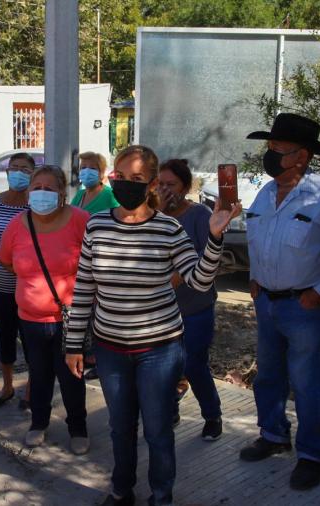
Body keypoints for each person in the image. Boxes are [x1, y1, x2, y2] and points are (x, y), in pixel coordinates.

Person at [65, 145, 240, 506]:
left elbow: (199, 280)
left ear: (151, 185)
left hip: (158, 350)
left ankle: (161, 495)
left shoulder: (168, 228)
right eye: (121, 177)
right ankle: (121, 489)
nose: (127, 184)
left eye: (137, 179)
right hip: (110, 348)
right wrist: (73, 344)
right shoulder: (97, 225)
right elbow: (84, 286)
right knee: (120, 427)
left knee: (158, 429)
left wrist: (215, 237)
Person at [238, 113, 320, 491]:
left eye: (278, 149)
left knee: (308, 383)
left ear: (301, 156)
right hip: (266, 302)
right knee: (267, 376)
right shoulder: (266, 191)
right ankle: (273, 434)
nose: (269, 155)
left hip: (305, 306)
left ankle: (312, 455)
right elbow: (260, 238)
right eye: (269, 148)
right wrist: (254, 276)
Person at [0, 165, 90, 454]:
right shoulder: (16, 225)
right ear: (28, 191)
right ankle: (39, 423)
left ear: (63, 193)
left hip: (69, 320)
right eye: (37, 187)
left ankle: (78, 429)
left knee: (71, 377)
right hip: (30, 320)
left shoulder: (80, 221)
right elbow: (6, 260)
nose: (42, 193)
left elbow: (95, 261)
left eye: (49, 188)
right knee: (38, 375)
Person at [158, 159, 223, 441]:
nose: (164, 190)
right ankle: (169, 408)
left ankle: (212, 416)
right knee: (162, 367)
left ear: (185, 187)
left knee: (194, 365)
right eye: (159, 184)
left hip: (195, 307)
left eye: (170, 185)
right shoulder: (150, 215)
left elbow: (208, 255)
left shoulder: (198, 215)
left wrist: (178, 275)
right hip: (160, 311)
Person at [0, 152, 33, 408]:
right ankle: (8, 385)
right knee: (5, 336)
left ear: (32, 174)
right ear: (6, 172)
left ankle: (30, 391)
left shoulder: (36, 206)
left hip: (31, 288)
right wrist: (2, 258)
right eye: (14, 168)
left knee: (31, 339)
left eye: (24, 169)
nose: (18, 172)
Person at [69, 151, 119, 380]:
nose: (86, 171)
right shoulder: (79, 195)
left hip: (101, 262)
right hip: (79, 262)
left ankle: (101, 360)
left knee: (100, 312)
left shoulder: (109, 196)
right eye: (83, 167)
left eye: (92, 167)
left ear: (101, 173)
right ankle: (90, 355)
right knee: (85, 312)